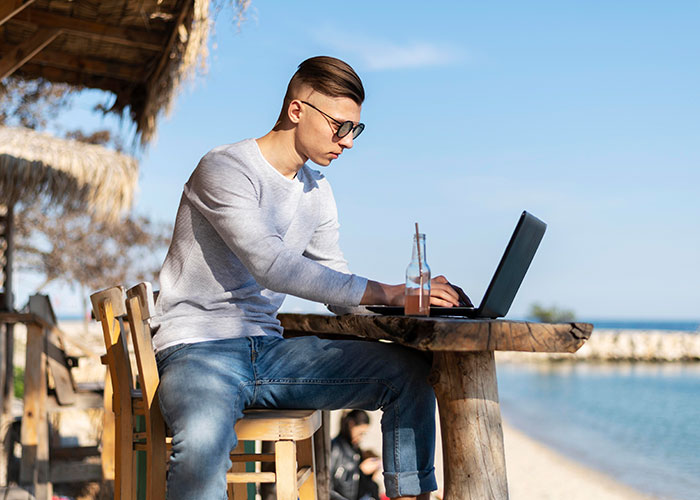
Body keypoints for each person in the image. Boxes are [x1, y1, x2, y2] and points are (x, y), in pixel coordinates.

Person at [151, 55, 460, 500]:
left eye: (355, 130)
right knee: (201, 446)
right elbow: (271, 265)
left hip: (270, 353)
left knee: (409, 374)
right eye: (340, 126)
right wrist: (390, 291)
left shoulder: (318, 192)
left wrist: (410, 299)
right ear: (297, 111)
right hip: (198, 351)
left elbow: (335, 281)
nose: (347, 142)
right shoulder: (224, 168)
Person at [331, 410, 382, 500]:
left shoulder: (354, 448)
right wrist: (361, 471)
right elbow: (335, 487)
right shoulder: (335, 449)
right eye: (360, 433)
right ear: (351, 425)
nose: (361, 438)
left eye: (363, 434)